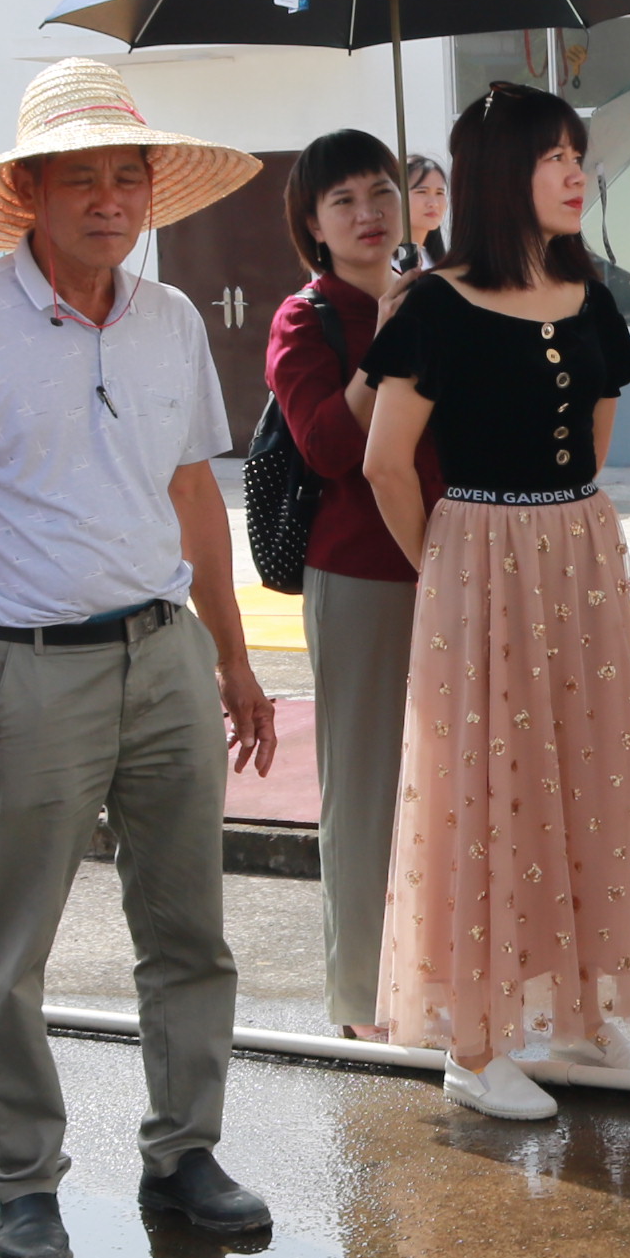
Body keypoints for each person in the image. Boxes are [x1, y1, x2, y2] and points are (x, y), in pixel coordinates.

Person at [0, 61, 282, 1258]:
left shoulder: (169, 321)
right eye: (80, 178)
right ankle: (25, 1180)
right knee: (13, 947)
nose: (109, 200)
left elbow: (192, 493)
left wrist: (235, 655)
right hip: (29, 666)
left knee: (189, 927)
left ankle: (186, 1150)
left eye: (127, 176)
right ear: (27, 193)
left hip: (165, 653)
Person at [360, 82, 630, 1118]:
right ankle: (472, 1042)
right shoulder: (433, 303)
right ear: (500, 174)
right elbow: (385, 462)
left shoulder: (589, 291)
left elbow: (595, 441)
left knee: (591, 771)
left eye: (576, 156)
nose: (572, 175)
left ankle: (588, 1018)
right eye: (553, 157)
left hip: (577, 549)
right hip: (481, 550)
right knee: (488, 793)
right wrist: (452, 568)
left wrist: (545, 535)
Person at [262, 127, 434, 1038]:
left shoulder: (443, 293)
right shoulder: (308, 319)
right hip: (361, 575)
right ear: (313, 224)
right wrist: (388, 342)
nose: (368, 215)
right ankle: (364, 1002)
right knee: (366, 791)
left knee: (461, 788)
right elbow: (328, 443)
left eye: (380, 193)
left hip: (458, 561)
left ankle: (450, 981)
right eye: (344, 202)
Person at [395, 153, 449, 273]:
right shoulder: (384, 265)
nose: (434, 203)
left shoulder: (439, 263)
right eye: (422, 192)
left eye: (439, 193)